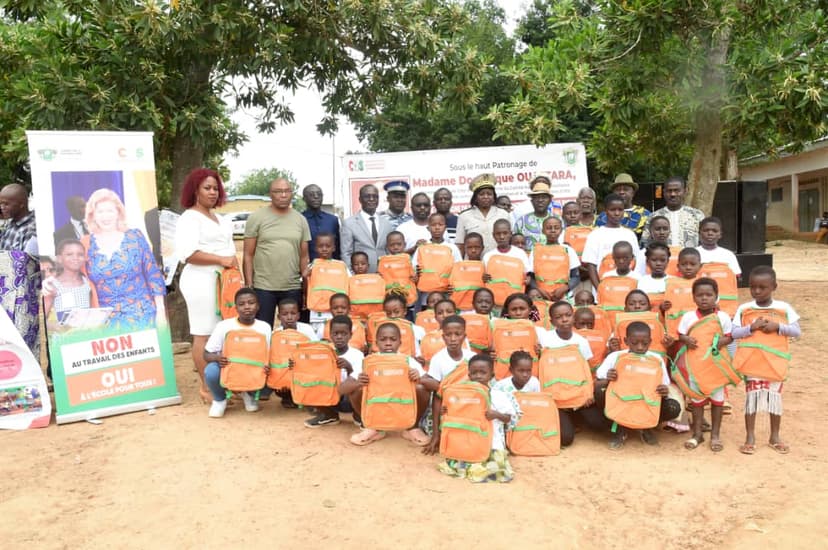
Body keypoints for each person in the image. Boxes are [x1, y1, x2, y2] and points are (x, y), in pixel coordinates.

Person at [175, 168, 237, 403]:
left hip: (225, 282)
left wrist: (238, 278)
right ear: (195, 190)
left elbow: (231, 251)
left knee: (224, 332)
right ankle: (206, 388)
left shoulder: (221, 219)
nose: (212, 192)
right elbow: (188, 254)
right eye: (207, 188)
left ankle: (225, 383)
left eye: (215, 188)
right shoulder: (189, 218)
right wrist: (220, 260)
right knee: (204, 333)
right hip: (200, 281)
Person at [732, 266, 800, 455]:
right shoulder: (744, 309)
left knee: (774, 400)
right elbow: (734, 333)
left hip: (774, 364)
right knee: (751, 401)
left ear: (774, 286)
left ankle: (775, 436)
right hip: (752, 364)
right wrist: (751, 328)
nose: (757, 291)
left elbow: (796, 331)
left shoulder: (784, 308)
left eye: (763, 287)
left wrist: (778, 327)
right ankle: (750, 437)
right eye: (753, 287)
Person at [84, 188, 166, 330]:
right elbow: (72, 275)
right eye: (100, 211)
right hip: (105, 323)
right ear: (93, 215)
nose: (106, 216)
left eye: (110, 211)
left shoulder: (135, 237)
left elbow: (153, 274)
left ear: (118, 213)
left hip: (143, 316)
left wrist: (161, 311)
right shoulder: (86, 244)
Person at [435, 353, 519, 483]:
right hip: (469, 441)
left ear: (491, 375)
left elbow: (508, 419)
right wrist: (445, 411)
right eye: (474, 373)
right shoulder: (463, 395)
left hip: (492, 444)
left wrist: (496, 415)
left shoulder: (498, 395)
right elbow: (455, 417)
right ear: (469, 375)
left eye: (482, 372)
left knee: (497, 468)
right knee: (458, 463)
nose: (478, 376)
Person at [595, 321, 680, 450]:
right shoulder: (616, 357)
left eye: (644, 343)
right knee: (600, 390)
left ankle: (645, 426)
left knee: (673, 407)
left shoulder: (656, 359)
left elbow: (664, 384)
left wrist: (664, 389)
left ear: (650, 341)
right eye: (635, 343)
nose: (640, 347)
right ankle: (620, 429)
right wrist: (609, 376)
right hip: (622, 401)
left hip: (645, 401)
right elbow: (599, 376)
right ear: (626, 341)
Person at [243, 178, 311, 327]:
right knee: (263, 329)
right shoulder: (257, 218)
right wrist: (249, 285)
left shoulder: (300, 220)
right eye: (278, 191)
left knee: (292, 332)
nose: (283, 195)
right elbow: (248, 254)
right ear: (270, 194)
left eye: (287, 191)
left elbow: (304, 256)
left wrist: (306, 289)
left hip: (292, 286)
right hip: (263, 287)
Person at [350, 322, 431, 446]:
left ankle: (411, 428)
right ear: (376, 343)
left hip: (400, 405)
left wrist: (419, 377)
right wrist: (358, 381)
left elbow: (430, 383)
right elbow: (343, 388)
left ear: (400, 342)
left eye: (393, 339)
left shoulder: (408, 360)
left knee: (422, 388)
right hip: (378, 406)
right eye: (383, 339)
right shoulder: (368, 362)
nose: (388, 343)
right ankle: (373, 428)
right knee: (355, 389)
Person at [677, 278, 734, 452]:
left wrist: (720, 342)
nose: (704, 298)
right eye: (700, 295)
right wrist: (687, 339)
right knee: (697, 401)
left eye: (709, 295)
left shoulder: (722, 317)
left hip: (715, 366)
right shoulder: (688, 317)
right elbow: (680, 335)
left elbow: (730, 336)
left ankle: (715, 435)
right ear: (693, 297)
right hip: (696, 366)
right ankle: (697, 434)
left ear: (716, 296)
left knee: (717, 400)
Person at [203, 288, 271, 418]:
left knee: (273, 371)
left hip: (253, 370)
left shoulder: (264, 327)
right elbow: (206, 354)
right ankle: (220, 400)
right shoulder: (224, 326)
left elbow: (268, 354)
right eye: (241, 304)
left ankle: (249, 395)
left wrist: (268, 366)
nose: (247, 307)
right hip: (231, 369)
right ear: (236, 307)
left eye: (251, 303)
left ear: (258, 306)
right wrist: (218, 358)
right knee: (211, 371)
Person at [304, 315, 364, 428]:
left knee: (357, 388)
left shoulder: (357, 354)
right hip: (329, 395)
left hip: (348, 400)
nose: (339, 337)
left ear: (350, 335)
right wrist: (295, 365)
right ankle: (329, 415)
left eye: (344, 334)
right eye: (335, 334)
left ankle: (359, 416)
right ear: (330, 335)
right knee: (308, 383)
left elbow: (359, 380)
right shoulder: (323, 352)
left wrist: (349, 368)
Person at [582, 193, 645, 289]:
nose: (616, 213)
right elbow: (591, 265)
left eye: (620, 210)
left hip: (628, 289)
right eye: (612, 210)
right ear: (606, 211)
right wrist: (599, 289)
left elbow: (636, 262)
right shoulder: (595, 235)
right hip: (603, 290)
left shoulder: (629, 234)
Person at [303, 232, 349, 337]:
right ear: (315, 248)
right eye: (321, 246)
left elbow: (350, 284)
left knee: (337, 336)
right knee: (319, 339)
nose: (324, 249)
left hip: (338, 310)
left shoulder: (341, 265)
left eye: (328, 246)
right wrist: (305, 277)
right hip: (317, 313)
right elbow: (305, 287)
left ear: (334, 248)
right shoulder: (312, 265)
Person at [455, 173, 510, 256]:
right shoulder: (464, 216)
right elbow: (460, 245)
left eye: (489, 194)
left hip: (499, 262)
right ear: (475, 197)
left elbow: (510, 241)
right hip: (473, 264)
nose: (486, 197)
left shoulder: (504, 214)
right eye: (481, 194)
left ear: (494, 196)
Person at [641, 177, 705, 247]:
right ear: (664, 192)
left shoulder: (697, 215)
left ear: (685, 191)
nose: (673, 194)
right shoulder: (654, 217)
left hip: (690, 257)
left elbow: (705, 241)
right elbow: (645, 243)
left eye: (677, 191)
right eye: (669, 191)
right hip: (663, 257)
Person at [341, 184, 391, 273]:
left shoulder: (386, 223)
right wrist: (352, 275)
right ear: (360, 199)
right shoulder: (349, 223)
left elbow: (389, 251)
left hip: (384, 276)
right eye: (367, 196)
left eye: (375, 196)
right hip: (360, 278)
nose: (371, 199)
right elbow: (346, 253)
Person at [42, 239, 95, 322]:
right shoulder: (52, 286)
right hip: (62, 333)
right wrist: (55, 327)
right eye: (69, 254)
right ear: (59, 259)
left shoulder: (88, 283)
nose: (75, 258)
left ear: (85, 258)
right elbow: (41, 319)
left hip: (86, 333)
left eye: (80, 254)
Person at [595, 173, 651, 240]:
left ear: (633, 193)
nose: (621, 192)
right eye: (618, 189)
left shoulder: (645, 215)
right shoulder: (603, 217)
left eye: (626, 189)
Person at [302, 184, 341, 261]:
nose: (316, 197)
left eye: (319, 194)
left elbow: (337, 247)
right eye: (311, 194)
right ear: (304, 198)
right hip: (307, 268)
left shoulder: (333, 220)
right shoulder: (300, 220)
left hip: (330, 268)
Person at [513, 178, 554, 251]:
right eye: (537, 197)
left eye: (544, 197)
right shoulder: (521, 222)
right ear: (531, 201)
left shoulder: (557, 220)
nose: (540, 200)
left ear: (550, 200)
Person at [0, 183, 37, 253]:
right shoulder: (11, 222)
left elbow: (27, 262)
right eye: (0, 204)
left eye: (6, 204)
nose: (2, 207)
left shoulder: (31, 229)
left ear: (21, 205)